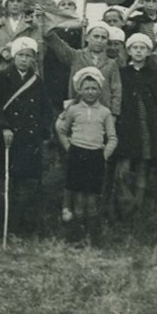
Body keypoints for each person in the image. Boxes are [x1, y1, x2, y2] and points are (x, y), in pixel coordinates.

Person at [0, 36, 52, 238]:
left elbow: (45, 109)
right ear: (14, 56)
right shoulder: (1, 77)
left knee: (21, 188)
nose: (25, 59)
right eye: (21, 55)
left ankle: (12, 231)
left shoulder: (37, 82)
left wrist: (43, 131)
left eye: (29, 56)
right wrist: (3, 127)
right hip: (4, 139)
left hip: (27, 141)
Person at [55, 68, 118, 243]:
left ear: (99, 90)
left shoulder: (105, 112)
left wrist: (104, 155)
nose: (90, 92)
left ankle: (92, 237)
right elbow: (62, 130)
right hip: (77, 155)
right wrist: (70, 148)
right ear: (80, 90)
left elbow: (112, 138)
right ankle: (77, 237)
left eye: (94, 88)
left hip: (95, 157)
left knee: (92, 199)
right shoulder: (73, 110)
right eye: (87, 88)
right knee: (79, 198)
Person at [114, 33, 157, 216]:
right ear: (128, 50)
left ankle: (139, 207)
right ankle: (125, 203)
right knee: (124, 168)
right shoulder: (122, 73)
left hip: (147, 126)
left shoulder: (155, 75)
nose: (138, 51)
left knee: (144, 165)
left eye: (142, 48)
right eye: (135, 47)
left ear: (149, 51)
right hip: (127, 125)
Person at [45, 20, 122, 117]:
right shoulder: (75, 56)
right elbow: (54, 41)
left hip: (103, 112)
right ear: (87, 38)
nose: (99, 40)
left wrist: (114, 114)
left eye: (103, 38)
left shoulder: (111, 64)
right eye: (96, 36)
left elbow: (116, 91)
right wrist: (44, 22)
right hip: (78, 110)